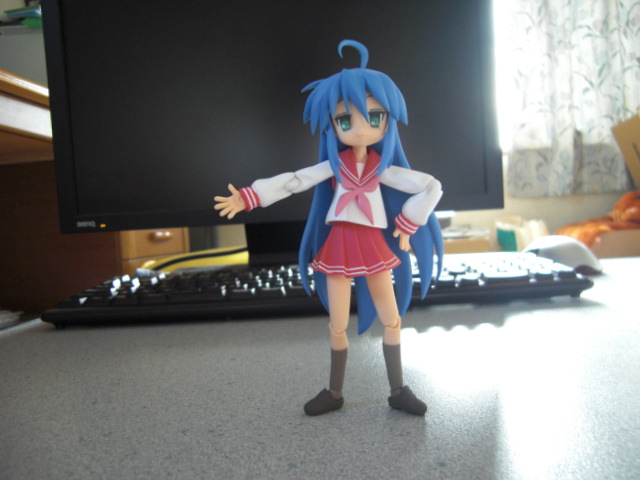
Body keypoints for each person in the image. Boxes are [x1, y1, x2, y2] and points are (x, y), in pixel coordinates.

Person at [215, 40, 443, 416]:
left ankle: (398, 390)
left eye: (374, 117)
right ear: (333, 125)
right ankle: (335, 393)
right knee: (337, 325)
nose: (360, 128)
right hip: (339, 244)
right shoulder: (334, 166)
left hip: (373, 245)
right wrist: (249, 197)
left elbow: (430, 185)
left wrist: (408, 222)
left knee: (392, 318)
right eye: (345, 120)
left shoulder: (383, 168)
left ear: (387, 120)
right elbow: (295, 180)